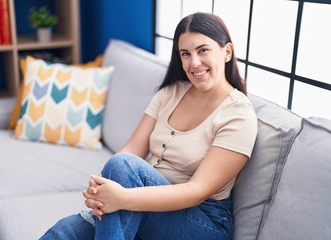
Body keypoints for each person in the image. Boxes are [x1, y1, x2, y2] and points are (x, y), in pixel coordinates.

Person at [40, 12, 258, 240]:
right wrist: (101, 189)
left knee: (123, 165)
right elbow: (132, 149)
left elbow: (196, 192)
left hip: (203, 222)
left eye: (203, 50)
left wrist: (121, 198)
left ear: (227, 52)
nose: (194, 63)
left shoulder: (238, 115)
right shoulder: (170, 94)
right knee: (61, 233)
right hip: (147, 204)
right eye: (185, 54)